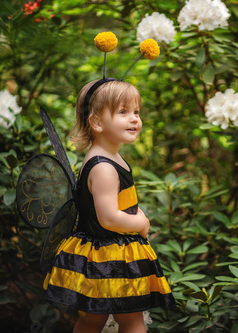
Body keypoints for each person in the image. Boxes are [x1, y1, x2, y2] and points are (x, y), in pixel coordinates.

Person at [43, 79, 176, 333]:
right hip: (108, 255)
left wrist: (137, 211)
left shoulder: (112, 156)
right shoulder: (103, 167)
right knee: (131, 319)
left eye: (136, 111)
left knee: (94, 318)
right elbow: (109, 218)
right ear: (97, 122)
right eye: (123, 112)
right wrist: (141, 222)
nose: (134, 119)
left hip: (109, 251)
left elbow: (124, 200)